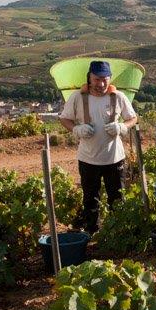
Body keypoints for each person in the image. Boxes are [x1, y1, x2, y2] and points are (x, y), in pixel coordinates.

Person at [59, 60, 137, 232]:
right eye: (97, 79)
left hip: (114, 158)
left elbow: (132, 118)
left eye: (105, 79)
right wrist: (76, 129)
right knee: (90, 199)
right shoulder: (77, 98)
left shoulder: (119, 97)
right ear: (89, 78)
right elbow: (64, 118)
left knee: (117, 199)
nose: (101, 84)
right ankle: (93, 232)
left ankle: (118, 232)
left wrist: (122, 127)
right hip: (88, 159)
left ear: (109, 79)